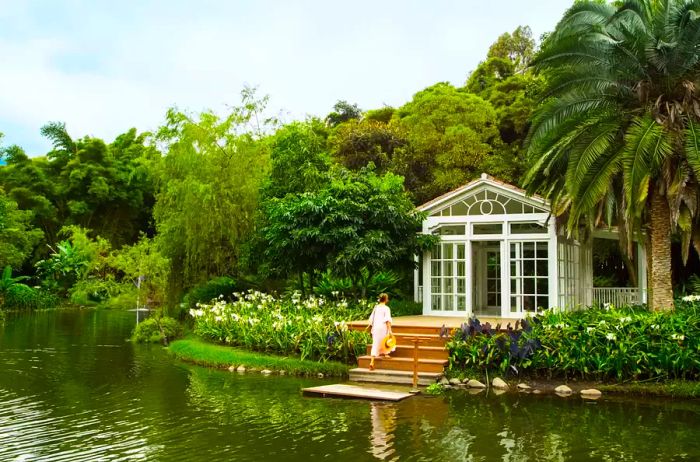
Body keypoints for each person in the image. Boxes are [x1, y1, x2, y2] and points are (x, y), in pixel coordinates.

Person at [368, 293, 394, 370]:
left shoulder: (376, 307)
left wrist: (370, 326)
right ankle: (386, 353)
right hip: (382, 327)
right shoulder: (386, 308)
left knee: (375, 343)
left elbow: (371, 318)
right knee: (385, 339)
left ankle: (372, 361)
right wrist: (390, 330)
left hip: (376, 327)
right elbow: (387, 320)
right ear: (386, 299)